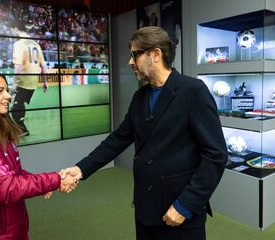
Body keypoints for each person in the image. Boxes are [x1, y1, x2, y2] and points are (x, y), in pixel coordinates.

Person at [62, 26, 228, 240]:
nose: (130, 62)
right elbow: (117, 139)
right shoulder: (140, 97)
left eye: (135, 55)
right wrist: (81, 169)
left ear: (156, 54)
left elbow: (216, 155)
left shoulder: (193, 91)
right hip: (145, 210)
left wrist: (186, 204)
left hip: (180, 213)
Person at [0, 70, 77, 239]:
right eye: (1, 91)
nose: (9, 96)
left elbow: (12, 174)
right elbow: (5, 187)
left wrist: (48, 184)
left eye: (7, 90)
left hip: (5, 225)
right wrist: (56, 180)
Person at [10, 22, 48, 136]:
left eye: (12, 30)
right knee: (19, 104)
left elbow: (18, 65)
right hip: (33, 81)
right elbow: (44, 65)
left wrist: (14, 83)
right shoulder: (36, 44)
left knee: (15, 107)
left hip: (23, 80)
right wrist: (45, 82)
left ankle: (22, 130)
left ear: (16, 29)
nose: (11, 33)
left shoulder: (19, 44)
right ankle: (19, 128)